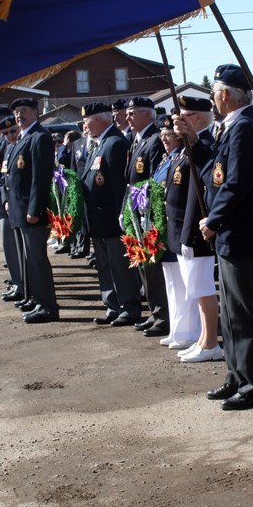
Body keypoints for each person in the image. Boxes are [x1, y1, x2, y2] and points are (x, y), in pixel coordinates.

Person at [175, 65, 253, 410]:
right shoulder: (230, 127)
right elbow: (212, 174)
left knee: (244, 311)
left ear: (227, 95)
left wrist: (214, 219)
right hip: (229, 231)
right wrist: (191, 140)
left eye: (216, 90)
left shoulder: (245, 127)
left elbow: (238, 184)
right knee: (231, 312)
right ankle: (237, 376)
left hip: (240, 231)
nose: (214, 98)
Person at [170, 96, 223, 363]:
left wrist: (193, 139)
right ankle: (203, 339)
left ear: (199, 118)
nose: (177, 121)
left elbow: (203, 184)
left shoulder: (207, 143)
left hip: (199, 227)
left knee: (203, 288)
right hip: (185, 226)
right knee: (196, 288)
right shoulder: (189, 145)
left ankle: (211, 341)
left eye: (186, 115)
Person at [79, 102, 141, 326]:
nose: (85, 126)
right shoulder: (99, 143)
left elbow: (118, 185)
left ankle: (129, 307)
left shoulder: (114, 143)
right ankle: (113, 305)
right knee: (104, 266)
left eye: (87, 121)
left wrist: (122, 217)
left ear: (98, 119)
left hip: (112, 218)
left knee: (120, 266)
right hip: (97, 219)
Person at [3, 97, 59, 323]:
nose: (19, 115)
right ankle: (38, 302)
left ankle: (48, 307)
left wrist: (35, 209)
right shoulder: (22, 139)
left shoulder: (39, 138)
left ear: (36, 112)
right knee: (30, 260)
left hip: (31, 212)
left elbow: (40, 178)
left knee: (37, 260)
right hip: (19, 210)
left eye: (24, 110)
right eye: (16, 112)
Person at [152, 115, 201, 349]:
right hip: (167, 226)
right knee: (172, 284)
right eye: (162, 135)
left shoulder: (185, 155)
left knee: (186, 285)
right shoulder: (166, 159)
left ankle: (190, 332)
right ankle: (177, 328)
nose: (164, 139)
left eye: (168, 135)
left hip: (180, 225)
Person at [125, 96, 169, 336]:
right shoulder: (137, 139)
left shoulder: (155, 140)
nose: (128, 117)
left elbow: (154, 180)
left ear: (149, 115)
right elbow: (130, 180)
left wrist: (147, 215)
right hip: (136, 212)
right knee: (144, 266)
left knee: (154, 268)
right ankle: (154, 313)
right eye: (128, 113)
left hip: (149, 214)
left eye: (134, 113)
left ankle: (163, 316)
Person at [0, 115, 23, 302]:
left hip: (19, 205)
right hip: (7, 202)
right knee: (9, 246)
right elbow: (2, 176)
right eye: (6, 132)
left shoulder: (22, 145)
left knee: (16, 248)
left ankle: (22, 285)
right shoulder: (8, 146)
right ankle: (18, 283)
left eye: (13, 131)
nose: (10, 135)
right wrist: (4, 200)